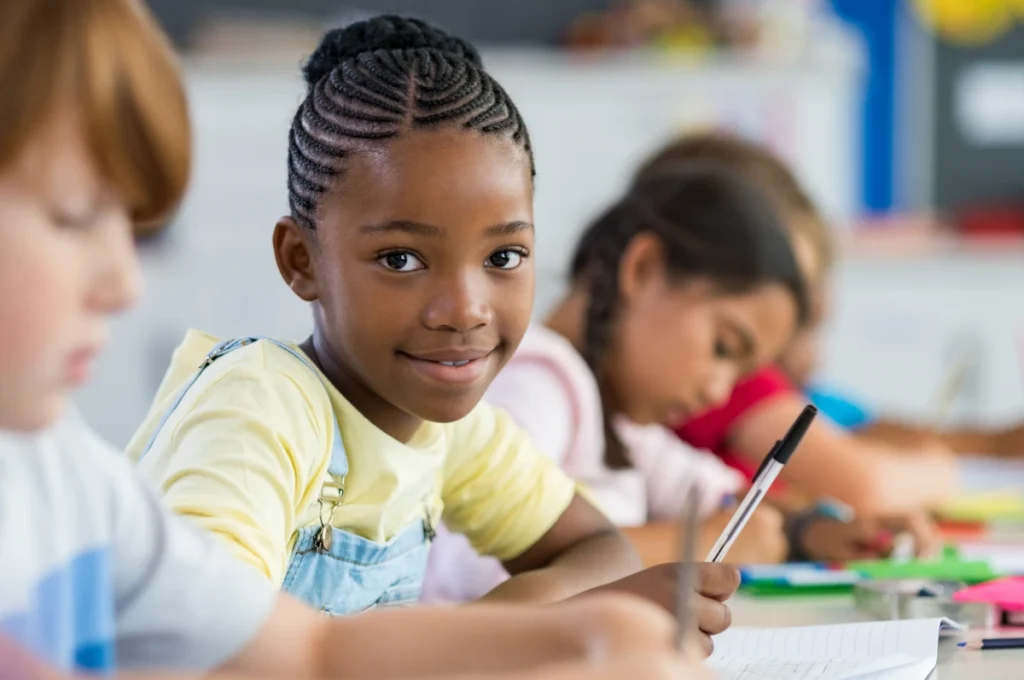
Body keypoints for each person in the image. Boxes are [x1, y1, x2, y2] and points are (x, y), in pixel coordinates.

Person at [0, 1, 711, 677]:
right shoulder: (255, 410)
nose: (124, 283)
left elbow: (310, 656)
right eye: (73, 216)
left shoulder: (70, 478)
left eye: (503, 258)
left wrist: (592, 632)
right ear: (301, 260)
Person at [653, 134, 954, 524]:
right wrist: (940, 468)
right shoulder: (724, 377)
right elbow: (867, 487)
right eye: (800, 320)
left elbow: (861, 430)